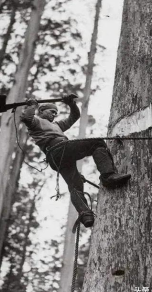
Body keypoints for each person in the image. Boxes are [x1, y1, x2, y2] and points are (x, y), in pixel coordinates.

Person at [20, 94, 131, 228]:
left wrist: (71, 104)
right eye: (51, 112)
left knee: (75, 185)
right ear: (42, 110)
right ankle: (108, 176)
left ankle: (85, 214)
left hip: (57, 158)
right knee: (97, 143)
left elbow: (74, 117)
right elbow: (26, 117)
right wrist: (32, 106)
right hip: (58, 150)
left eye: (55, 113)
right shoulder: (36, 122)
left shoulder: (57, 125)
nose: (53, 115)